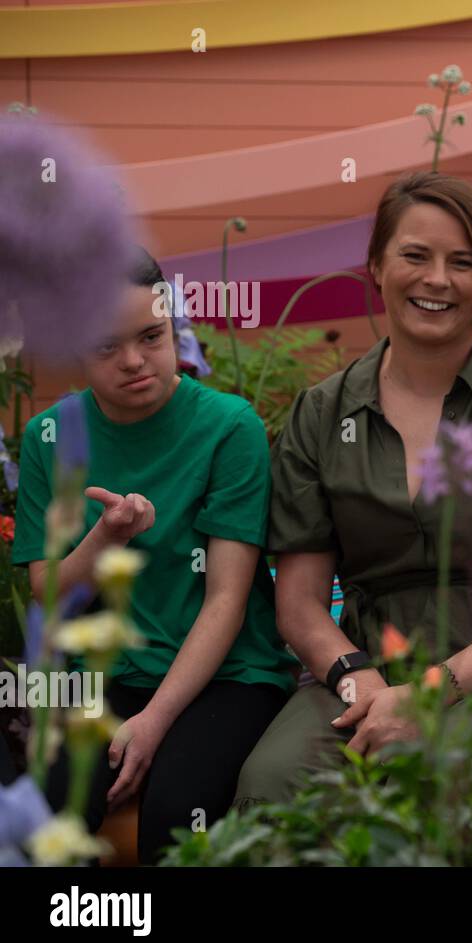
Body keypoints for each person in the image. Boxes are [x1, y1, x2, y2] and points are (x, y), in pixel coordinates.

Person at [234, 172, 472, 807]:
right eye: (415, 255)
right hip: (364, 671)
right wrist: (360, 683)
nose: (437, 279)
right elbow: (300, 604)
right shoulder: (322, 413)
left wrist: (434, 692)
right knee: (275, 784)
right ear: (377, 268)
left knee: (449, 786)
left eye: (462, 263)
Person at [12, 249, 296, 862]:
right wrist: (107, 536)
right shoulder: (51, 437)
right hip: (107, 677)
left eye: (151, 336)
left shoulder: (228, 426)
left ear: (174, 327)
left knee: (177, 813)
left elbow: (226, 597)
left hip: (225, 677)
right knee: (54, 819)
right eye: (106, 346)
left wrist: (155, 721)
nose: (135, 360)